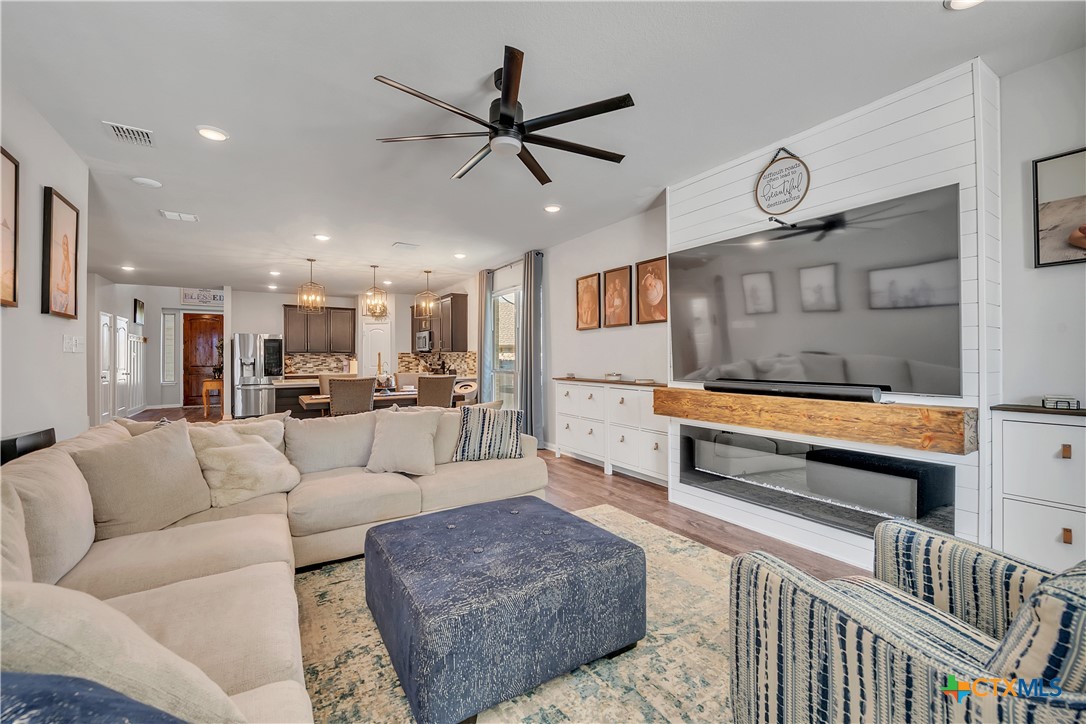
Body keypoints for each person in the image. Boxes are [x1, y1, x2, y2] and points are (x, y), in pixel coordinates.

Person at [52, 234, 72, 314]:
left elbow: (66, 290)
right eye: (63, 244)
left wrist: (58, 287)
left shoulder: (67, 264)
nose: (64, 247)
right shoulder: (63, 261)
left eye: (66, 245)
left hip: (63, 299)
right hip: (62, 297)